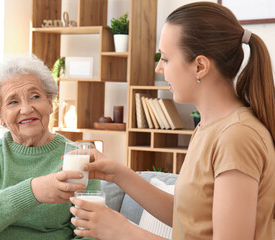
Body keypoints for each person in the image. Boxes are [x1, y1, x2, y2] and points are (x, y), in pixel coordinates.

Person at [69, 2, 275, 240]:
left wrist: (123, 231)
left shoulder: (237, 136)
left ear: (200, 66)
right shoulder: (210, 127)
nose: (158, 68)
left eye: (165, 59)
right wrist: (119, 174)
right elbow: (188, 216)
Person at [0, 54, 100, 240]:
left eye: (35, 96)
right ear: (0, 116)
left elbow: (90, 234)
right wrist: (35, 190)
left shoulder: (78, 157)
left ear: (50, 104)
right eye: (13, 102)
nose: (26, 109)